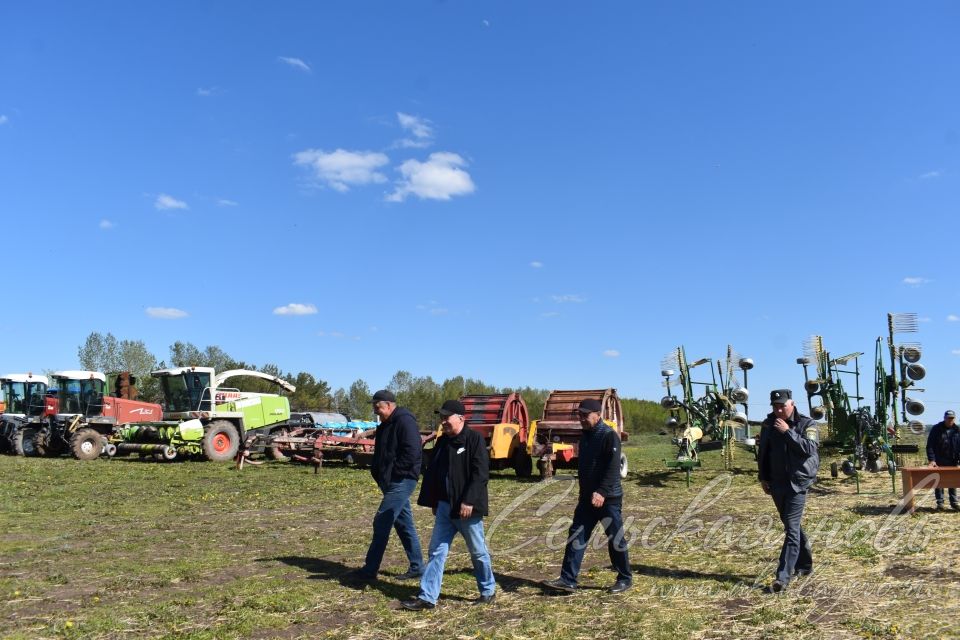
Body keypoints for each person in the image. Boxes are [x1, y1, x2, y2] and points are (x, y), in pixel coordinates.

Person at [401, 399, 496, 610]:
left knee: (478, 551)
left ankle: (488, 590)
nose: (443, 421)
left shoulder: (474, 440)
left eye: (447, 417)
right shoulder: (443, 442)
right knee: (437, 552)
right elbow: (435, 473)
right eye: (441, 417)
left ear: (461, 418)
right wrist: (435, 500)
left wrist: (469, 500)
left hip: (466, 509)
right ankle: (427, 597)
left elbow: (480, 474)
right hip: (445, 507)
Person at [542, 398, 632, 595]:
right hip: (586, 499)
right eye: (579, 415)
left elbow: (612, 468)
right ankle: (568, 579)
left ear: (597, 415)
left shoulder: (608, 435)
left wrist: (602, 492)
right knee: (577, 534)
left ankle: (624, 577)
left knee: (615, 538)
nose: (581, 418)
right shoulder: (586, 437)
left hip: (608, 498)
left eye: (585, 415)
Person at [348, 389, 424, 582]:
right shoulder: (387, 423)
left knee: (382, 521)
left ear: (389, 405)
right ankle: (417, 566)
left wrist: (395, 473)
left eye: (378, 407)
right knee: (403, 523)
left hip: (402, 480)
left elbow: (413, 451)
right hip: (390, 481)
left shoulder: (405, 421)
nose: (376, 411)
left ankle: (369, 570)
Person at [757, 389, 820, 592]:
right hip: (776, 483)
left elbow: (809, 449)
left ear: (791, 404)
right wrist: (763, 477)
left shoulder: (807, 423)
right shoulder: (768, 424)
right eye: (775, 406)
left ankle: (782, 578)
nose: (778, 409)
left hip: (798, 483)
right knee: (791, 525)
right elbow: (764, 453)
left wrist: (787, 432)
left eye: (782, 405)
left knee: (791, 529)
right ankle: (805, 564)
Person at [926, 410, 960, 510]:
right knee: (939, 482)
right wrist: (932, 460)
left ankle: (954, 503)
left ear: (954, 419)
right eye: (948, 418)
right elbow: (930, 446)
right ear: (944, 418)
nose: (950, 420)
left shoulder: (957, 430)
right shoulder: (936, 429)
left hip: (953, 461)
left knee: (952, 482)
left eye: (952, 418)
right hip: (939, 460)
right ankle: (940, 503)